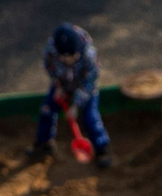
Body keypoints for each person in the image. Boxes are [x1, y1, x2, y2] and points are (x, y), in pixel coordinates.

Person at [33, 23, 112, 169]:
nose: (68, 60)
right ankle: (44, 143)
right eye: (64, 58)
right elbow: (49, 66)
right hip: (63, 84)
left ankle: (102, 149)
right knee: (47, 110)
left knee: (91, 117)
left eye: (72, 57)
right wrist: (57, 84)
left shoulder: (89, 55)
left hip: (85, 88)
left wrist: (75, 105)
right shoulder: (51, 50)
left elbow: (90, 82)